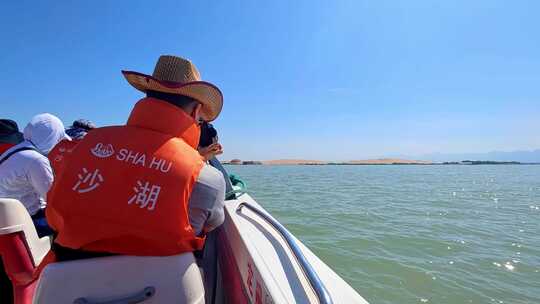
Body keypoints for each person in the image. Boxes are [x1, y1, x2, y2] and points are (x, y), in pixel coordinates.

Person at [46, 55, 226, 258]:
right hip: (163, 286)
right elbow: (211, 224)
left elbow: (54, 215)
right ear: (196, 111)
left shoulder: (80, 146)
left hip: (67, 282)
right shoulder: (207, 178)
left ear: (146, 97)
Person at [0, 113, 70, 237]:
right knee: (70, 225)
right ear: (52, 138)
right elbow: (53, 200)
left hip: (8, 221)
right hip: (29, 222)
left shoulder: (15, 152)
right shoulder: (36, 160)